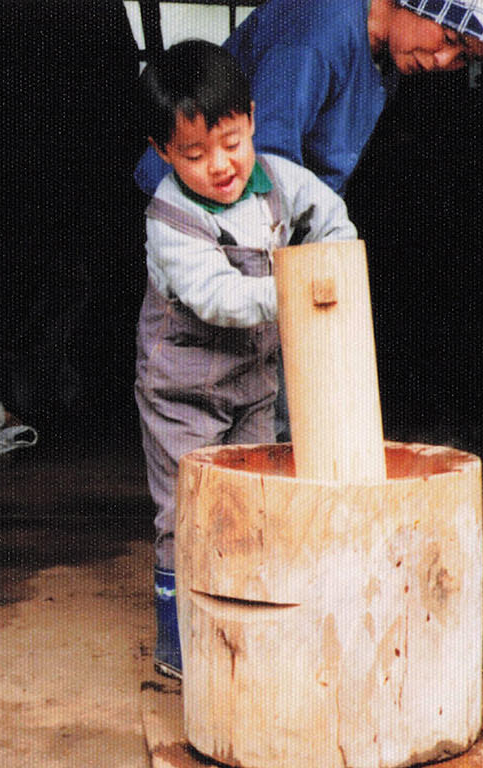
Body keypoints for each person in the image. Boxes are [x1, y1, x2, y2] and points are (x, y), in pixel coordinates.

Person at [135, 40, 359, 679]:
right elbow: (222, 299)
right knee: (190, 512)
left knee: (259, 501)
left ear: (252, 118)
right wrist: (300, 288)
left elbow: (333, 220)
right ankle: (180, 647)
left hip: (255, 384)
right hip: (183, 391)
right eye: (194, 155)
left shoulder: (281, 181)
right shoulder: (172, 218)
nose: (221, 165)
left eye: (231, 141)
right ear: (162, 153)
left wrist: (335, 261)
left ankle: (248, 630)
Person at [133, 0, 483, 198]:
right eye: (450, 39)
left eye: (463, 59)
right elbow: (268, 156)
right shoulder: (320, 33)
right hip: (190, 208)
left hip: (263, 214)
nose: (444, 60)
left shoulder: (384, 58)